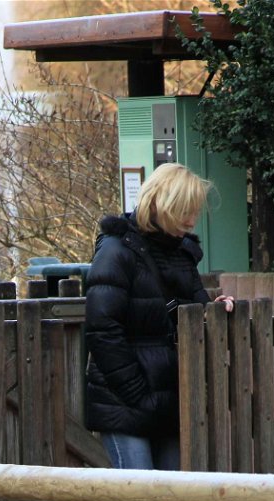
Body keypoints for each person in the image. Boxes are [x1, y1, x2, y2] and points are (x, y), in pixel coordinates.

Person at [82, 162, 234, 471]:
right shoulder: (116, 251)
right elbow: (102, 330)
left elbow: (194, 316)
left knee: (172, 498)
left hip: (168, 401)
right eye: (183, 211)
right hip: (125, 403)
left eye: (194, 211)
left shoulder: (181, 253)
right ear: (160, 204)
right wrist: (138, 394)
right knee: (140, 496)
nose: (191, 220)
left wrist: (216, 310)